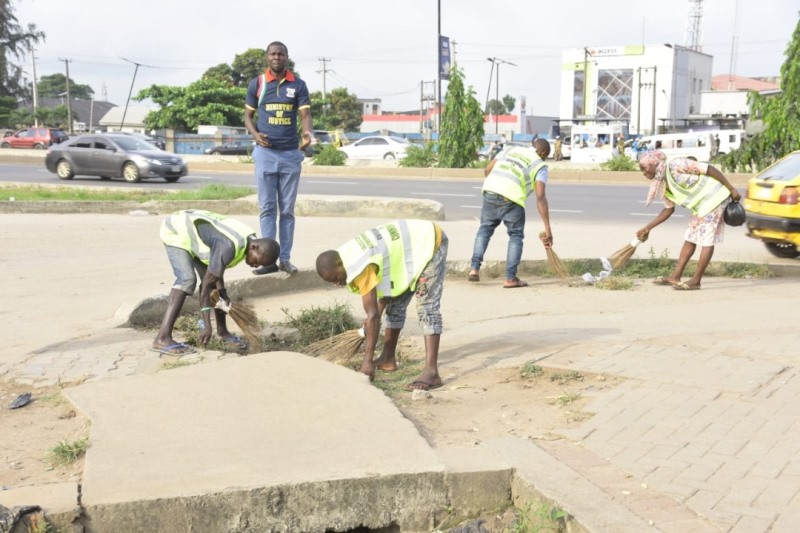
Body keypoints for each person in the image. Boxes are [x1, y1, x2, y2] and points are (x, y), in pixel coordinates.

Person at [316, 219, 448, 391]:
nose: (337, 283)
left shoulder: (358, 265)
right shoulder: (345, 257)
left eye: (335, 279)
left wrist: (367, 361)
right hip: (407, 253)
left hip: (429, 242)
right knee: (395, 303)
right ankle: (387, 359)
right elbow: (384, 296)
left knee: (427, 306)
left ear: (339, 265)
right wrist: (375, 314)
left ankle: (432, 372)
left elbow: (372, 316)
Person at [152, 210, 280, 355]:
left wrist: (223, 293)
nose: (256, 266)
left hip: (196, 235)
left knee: (215, 285)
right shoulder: (228, 246)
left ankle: (223, 332)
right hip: (177, 229)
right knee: (187, 279)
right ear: (254, 247)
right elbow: (205, 287)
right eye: (257, 261)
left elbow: (217, 272)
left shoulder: (248, 241)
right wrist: (207, 326)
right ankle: (162, 338)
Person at [244, 41, 314, 276]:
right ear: (267, 57)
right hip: (265, 154)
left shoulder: (298, 84)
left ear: (286, 57)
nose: (277, 57)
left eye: (280, 54)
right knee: (266, 208)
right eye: (273, 54)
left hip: (290, 155)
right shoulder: (258, 83)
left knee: (286, 211)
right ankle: (267, 261)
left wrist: (307, 133)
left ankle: (284, 259)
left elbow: (305, 115)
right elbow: (247, 116)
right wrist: (255, 135)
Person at [636, 151, 741, 290]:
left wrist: (731, 188)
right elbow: (668, 209)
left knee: (707, 239)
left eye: (644, 168)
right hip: (701, 206)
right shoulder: (662, 184)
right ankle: (675, 276)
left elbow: (709, 169)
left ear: (654, 164)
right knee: (690, 237)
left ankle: (696, 280)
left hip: (715, 198)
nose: (643, 172)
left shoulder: (676, 164)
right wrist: (648, 228)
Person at [468, 138, 552, 288]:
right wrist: (547, 229)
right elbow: (540, 196)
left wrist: (497, 186)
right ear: (544, 152)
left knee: (484, 230)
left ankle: (474, 269)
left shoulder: (511, 149)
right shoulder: (540, 166)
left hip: (490, 191)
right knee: (515, 236)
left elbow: (487, 169)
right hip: (512, 199)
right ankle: (510, 278)